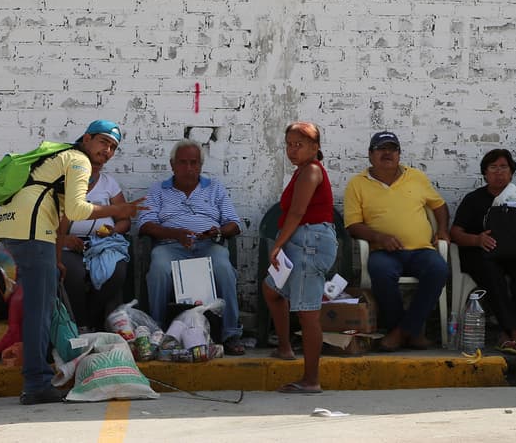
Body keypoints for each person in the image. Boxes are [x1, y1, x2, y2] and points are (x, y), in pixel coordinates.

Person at [0, 119, 145, 405]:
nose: (108, 151)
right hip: (32, 230)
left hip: (17, 228)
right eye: (103, 142)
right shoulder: (78, 161)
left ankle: (36, 378)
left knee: (39, 306)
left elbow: (59, 213)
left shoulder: (61, 157)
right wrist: (120, 209)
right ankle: (36, 383)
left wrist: (56, 259)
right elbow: (77, 210)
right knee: (40, 311)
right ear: (86, 138)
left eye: (113, 147)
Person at [136, 138, 246, 355]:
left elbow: (234, 224)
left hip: (207, 246)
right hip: (171, 246)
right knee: (158, 268)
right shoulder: (158, 190)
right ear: (172, 165)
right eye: (183, 162)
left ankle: (231, 334)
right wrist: (175, 234)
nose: (189, 168)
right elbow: (145, 225)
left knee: (224, 268)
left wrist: (218, 231)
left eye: (194, 163)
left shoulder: (214, 188)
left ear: (201, 165)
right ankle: (158, 331)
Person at [344, 130, 450, 351]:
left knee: (439, 269)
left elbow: (439, 206)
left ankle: (400, 333)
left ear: (399, 154)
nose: (387, 153)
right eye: (381, 149)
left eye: (392, 149)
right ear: (370, 155)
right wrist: (378, 237)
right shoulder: (357, 184)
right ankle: (411, 332)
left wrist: (443, 230)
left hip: (422, 251)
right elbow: (353, 226)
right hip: (384, 252)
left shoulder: (417, 177)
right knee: (381, 271)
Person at [263, 122, 338, 394]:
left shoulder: (312, 171)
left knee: (308, 314)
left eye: (300, 145)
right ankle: (285, 348)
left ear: (315, 148)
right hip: (299, 241)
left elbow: (296, 213)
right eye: (289, 144)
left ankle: (311, 380)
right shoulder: (301, 171)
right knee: (271, 289)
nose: (292, 150)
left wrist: (277, 246)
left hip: (309, 244)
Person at [449, 148, 516, 353]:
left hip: (512, 255)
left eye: (503, 167)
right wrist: (477, 239)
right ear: (485, 173)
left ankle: (505, 334)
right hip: (479, 254)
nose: (499, 172)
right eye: (493, 167)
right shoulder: (473, 199)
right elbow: (455, 233)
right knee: (493, 274)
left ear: (511, 172)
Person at [58, 136, 131, 332]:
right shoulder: (62, 186)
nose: (93, 170)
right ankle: (81, 324)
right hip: (69, 245)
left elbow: (125, 220)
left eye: (98, 166)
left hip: (103, 242)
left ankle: (92, 321)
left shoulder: (109, 184)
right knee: (73, 273)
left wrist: (112, 230)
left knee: (116, 272)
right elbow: (49, 225)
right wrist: (64, 239)